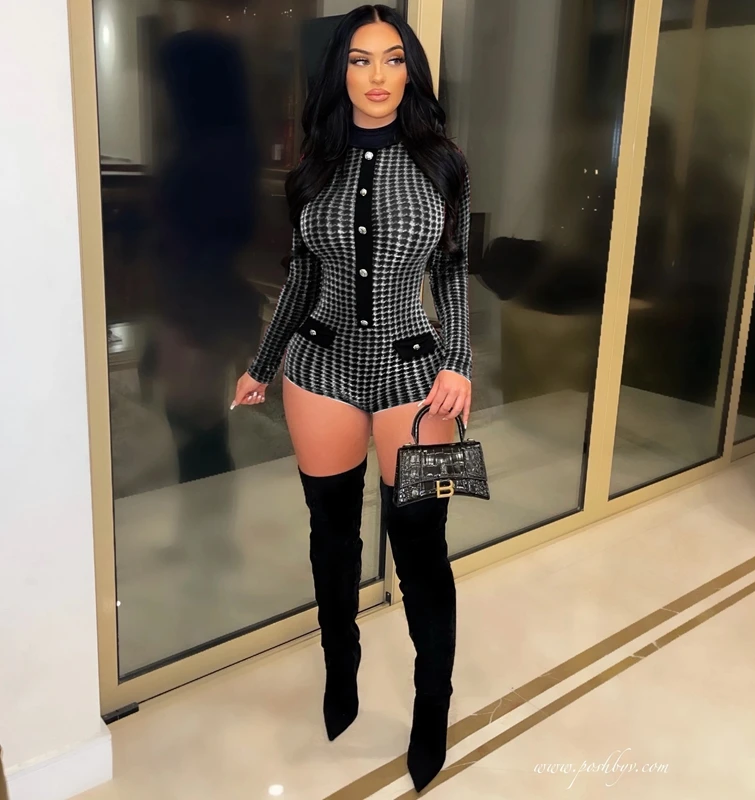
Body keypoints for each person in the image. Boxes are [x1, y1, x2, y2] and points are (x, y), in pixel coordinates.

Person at [231, 4, 472, 792]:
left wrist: (460, 362)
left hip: (419, 380)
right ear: (340, 71)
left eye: (393, 59)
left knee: (423, 546)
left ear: (412, 71)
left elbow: (453, 270)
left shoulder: (444, 162)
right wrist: (263, 363)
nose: (377, 76)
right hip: (320, 372)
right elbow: (302, 276)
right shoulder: (315, 165)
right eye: (361, 59)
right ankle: (342, 668)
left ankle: (431, 704)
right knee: (330, 538)